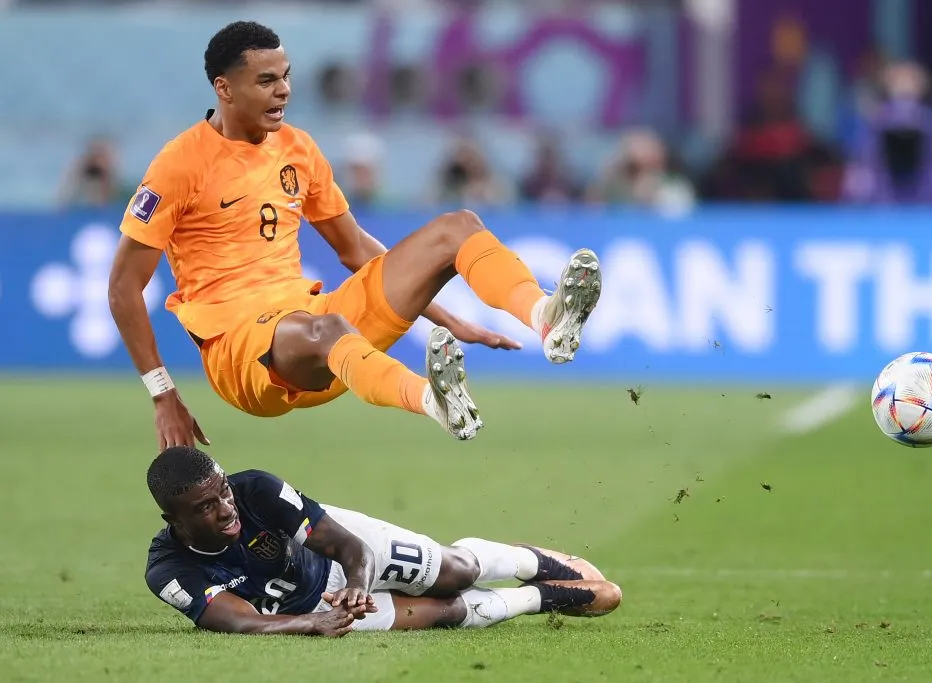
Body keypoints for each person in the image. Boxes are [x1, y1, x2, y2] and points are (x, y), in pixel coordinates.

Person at [107, 21, 603, 449]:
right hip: (239, 352)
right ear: (224, 88)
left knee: (459, 228)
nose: (283, 91)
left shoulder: (297, 148)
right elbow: (123, 288)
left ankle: (544, 317)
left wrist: (450, 318)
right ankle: (434, 400)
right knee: (327, 330)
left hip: (313, 323)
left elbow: (354, 249)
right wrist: (163, 393)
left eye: (285, 77)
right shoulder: (178, 166)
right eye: (265, 81)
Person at [145, 446, 622, 636]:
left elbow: (350, 548)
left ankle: (520, 558)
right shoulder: (167, 569)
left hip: (342, 553)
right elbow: (243, 624)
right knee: (450, 612)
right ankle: (536, 598)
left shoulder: (257, 490)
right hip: (300, 608)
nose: (226, 508)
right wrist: (314, 622)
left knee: (454, 572)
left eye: (222, 492)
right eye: (206, 507)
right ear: (174, 519)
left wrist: (356, 584)